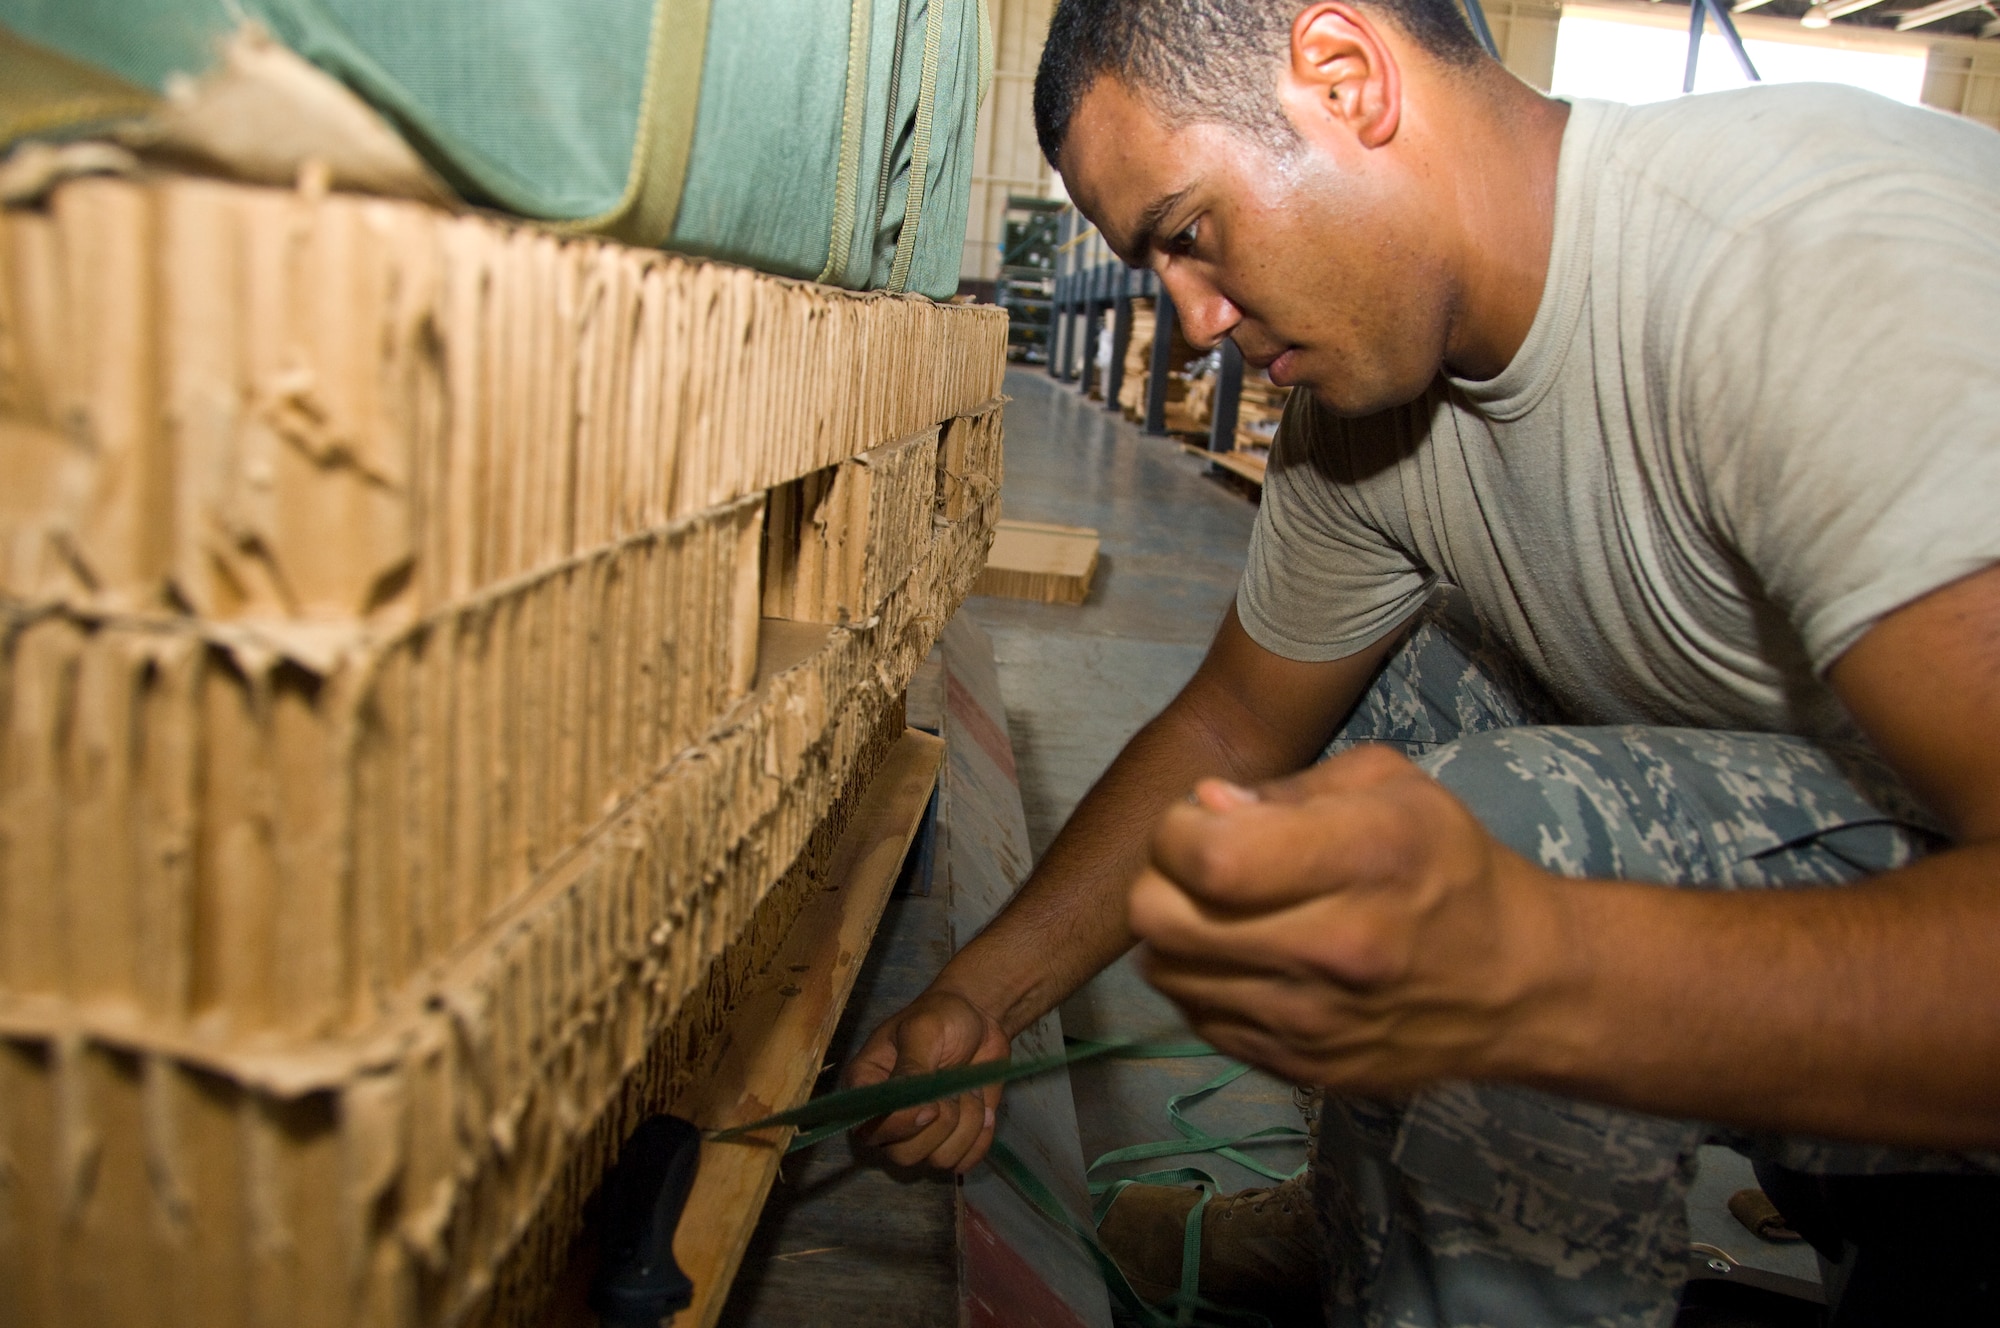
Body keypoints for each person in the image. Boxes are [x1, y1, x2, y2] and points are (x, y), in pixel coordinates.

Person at [846, 1, 2000, 1323]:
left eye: (1189, 234)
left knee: (1494, 838)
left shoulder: (1806, 267)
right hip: (1877, 812)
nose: (1193, 322)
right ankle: (1380, 1228)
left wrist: (1534, 968)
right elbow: (1232, 731)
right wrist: (982, 996)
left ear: (1343, 78)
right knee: (1358, 726)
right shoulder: (1372, 412)